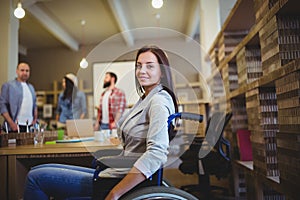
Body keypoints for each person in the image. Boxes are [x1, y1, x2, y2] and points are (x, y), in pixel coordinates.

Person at [23, 45, 178, 200]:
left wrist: (115, 193)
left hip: (121, 181)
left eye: (150, 66)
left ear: (162, 71)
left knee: (35, 177)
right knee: (41, 168)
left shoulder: (158, 101)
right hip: (118, 172)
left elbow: (157, 153)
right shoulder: (146, 97)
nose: (141, 71)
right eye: (138, 66)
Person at [0, 62, 37, 133]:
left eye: (27, 71)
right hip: (15, 126)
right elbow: (2, 106)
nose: (25, 73)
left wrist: (35, 119)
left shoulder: (31, 87)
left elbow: (35, 105)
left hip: (29, 126)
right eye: (22, 70)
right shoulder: (8, 86)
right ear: (17, 71)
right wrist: (11, 123)